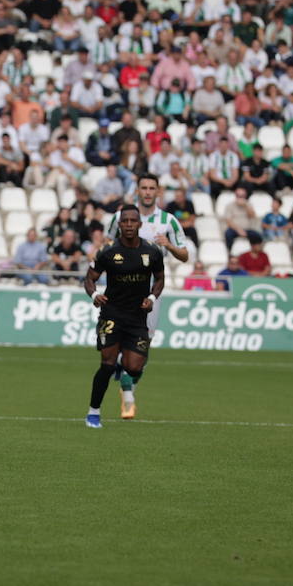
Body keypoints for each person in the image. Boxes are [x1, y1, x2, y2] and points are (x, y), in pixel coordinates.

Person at [102, 174, 189, 417]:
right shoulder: (122, 217)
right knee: (115, 338)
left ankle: (128, 387)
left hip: (151, 290)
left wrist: (168, 245)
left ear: (158, 192)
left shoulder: (168, 221)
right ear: (137, 190)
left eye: (152, 188)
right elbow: (107, 244)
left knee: (144, 343)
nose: (148, 192)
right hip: (120, 289)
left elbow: (185, 255)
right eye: (144, 188)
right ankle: (127, 392)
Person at [83, 204, 165, 429]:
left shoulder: (152, 251)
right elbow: (89, 278)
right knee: (106, 365)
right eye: (124, 221)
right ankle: (93, 412)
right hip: (112, 314)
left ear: (140, 224)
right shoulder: (107, 251)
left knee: (135, 368)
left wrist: (152, 298)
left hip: (138, 317)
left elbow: (160, 279)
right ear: (119, 225)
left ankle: (123, 362)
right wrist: (94, 295)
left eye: (133, 221)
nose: (129, 225)